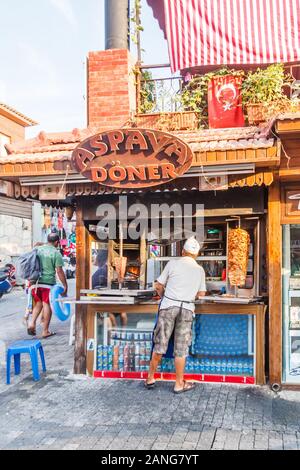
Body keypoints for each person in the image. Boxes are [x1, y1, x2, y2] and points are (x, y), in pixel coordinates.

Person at [145, 237, 206, 394]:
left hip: (168, 306)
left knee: (160, 344)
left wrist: (166, 296)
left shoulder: (172, 264)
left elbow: (158, 285)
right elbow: (201, 294)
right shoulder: (199, 270)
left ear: (182, 251)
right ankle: (179, 384)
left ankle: (150, 378)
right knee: (181, 348)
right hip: (186, 308)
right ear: (196, 254)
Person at [27, 233, 68, 338]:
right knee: (46, 304)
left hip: (34, 282)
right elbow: (59, 271)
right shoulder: (55, 253)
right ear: (57, 242)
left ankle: (32, 323)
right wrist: (65, 285)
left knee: (38, 303)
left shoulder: (38, 249)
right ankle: (45, 331)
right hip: (47, 283)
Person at [92, 250, 127, 327]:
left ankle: (117, 334)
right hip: (109, 301)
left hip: (110, 301)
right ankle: (118, 333)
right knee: (117, 315)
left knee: (118, 314)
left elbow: (92, 285)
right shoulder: (104, 270)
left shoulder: (103, 270)